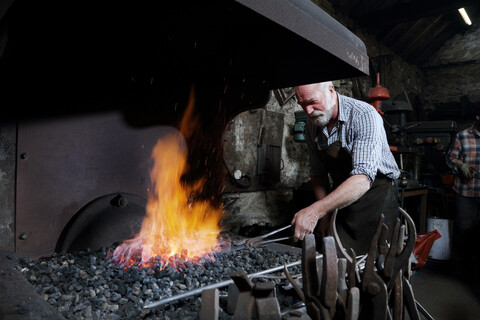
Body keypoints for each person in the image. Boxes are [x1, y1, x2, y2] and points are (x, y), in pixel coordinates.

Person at [291, 81, 401, 254]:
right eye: (302, 105)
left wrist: (316, 211)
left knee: (378, 261)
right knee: (341, 257)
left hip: (376, 195)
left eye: (312, 102)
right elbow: (318, 174)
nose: (308, 111)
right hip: (342, 198)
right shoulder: (312, 126)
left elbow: (363, 178)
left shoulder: (364, 115)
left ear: (331, 90)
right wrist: (324, 215)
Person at [446, 106, 480, 282]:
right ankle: (460, 274)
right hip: (465, 191)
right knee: (463, 231)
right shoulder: (463, 135)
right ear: (477, 116)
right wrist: (460, 166)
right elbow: (450, 158)